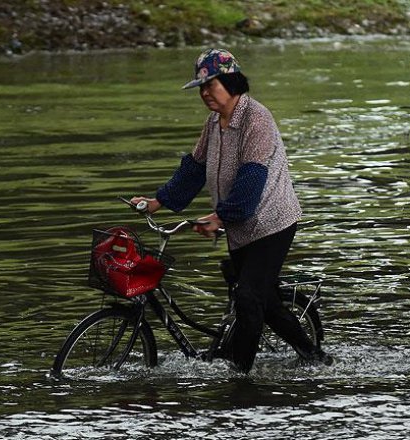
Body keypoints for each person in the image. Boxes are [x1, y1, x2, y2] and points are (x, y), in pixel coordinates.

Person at [132, 48, 331, 373]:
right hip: (240, 225)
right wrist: (157, 201)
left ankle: (240, 378)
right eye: (202, 88)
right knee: (264, 301)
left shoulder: (257, 119)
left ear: (232, 82)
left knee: (249, 298)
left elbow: (251, 179)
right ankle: (313, 355)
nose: (206, 93)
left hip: (272, 222)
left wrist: (220, 217)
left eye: (212, 85)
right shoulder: (214, 123)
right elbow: (194, 169)